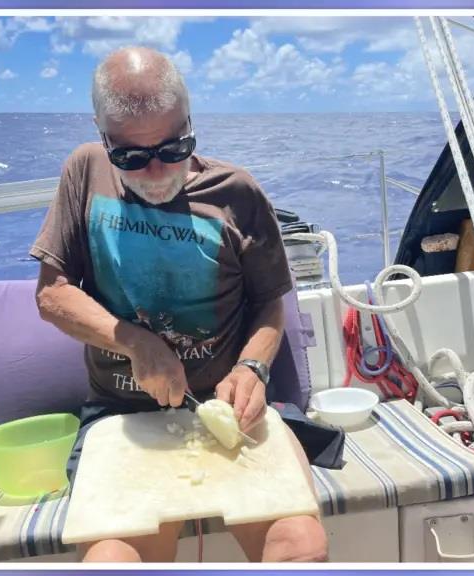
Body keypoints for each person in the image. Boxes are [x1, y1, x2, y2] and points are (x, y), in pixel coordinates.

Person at [30, 46, 328, 563]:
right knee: (113, 561)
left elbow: (269, 302)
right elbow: (53, 295)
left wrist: (253, 366)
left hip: (232, 411)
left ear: (190, 123)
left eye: (174, 147)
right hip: (121, 415)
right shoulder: (83, 172)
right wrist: (135, 342)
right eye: (130, 157)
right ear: (104, 138)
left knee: (299, 547)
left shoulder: (237, 192)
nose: (154, 171)